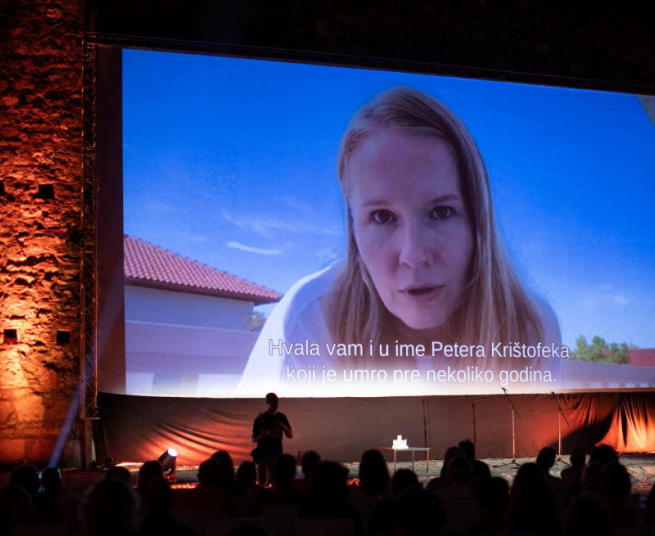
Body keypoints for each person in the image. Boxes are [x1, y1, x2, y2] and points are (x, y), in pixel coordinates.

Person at [239, 86, 564, 395]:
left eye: (440, 212)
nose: (414, 255)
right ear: (353, 227)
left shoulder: (530, 325)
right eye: (382, 217)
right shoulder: (308, 321)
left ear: (478, 219)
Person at [251, 392, 293, 487]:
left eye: (276, 401)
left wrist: (283, 426)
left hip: (277, 455)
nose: (275, 404)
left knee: (276, 482)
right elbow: (253, 438)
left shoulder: (281, 417)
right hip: (263, 456)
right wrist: (263, 435)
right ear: (267, 402)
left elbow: (290, 435)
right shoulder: (260, 419)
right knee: (262, 483)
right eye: (272, 401)